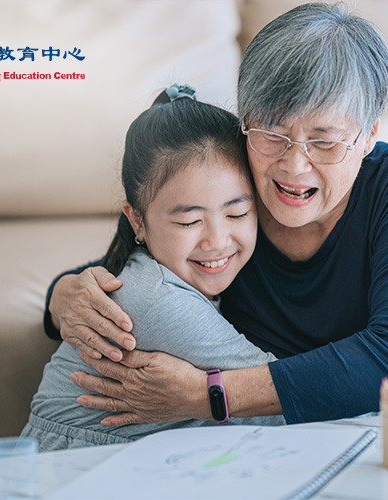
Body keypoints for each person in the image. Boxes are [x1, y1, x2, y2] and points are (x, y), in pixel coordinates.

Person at [44, 2, 388, 428]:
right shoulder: (231, 192)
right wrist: (63, 297)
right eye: (274, 133)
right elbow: (141, 257)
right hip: (343, 432)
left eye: (325, 140)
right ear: (246, 124)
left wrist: (205, 396)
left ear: (369, 135)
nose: (294, 167)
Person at [22, 86, 285, 451]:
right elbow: (285, 401)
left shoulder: (158, 271)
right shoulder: (159, 302)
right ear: (138, 222)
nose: (217, 240)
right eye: (190, 221)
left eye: (237, 213)